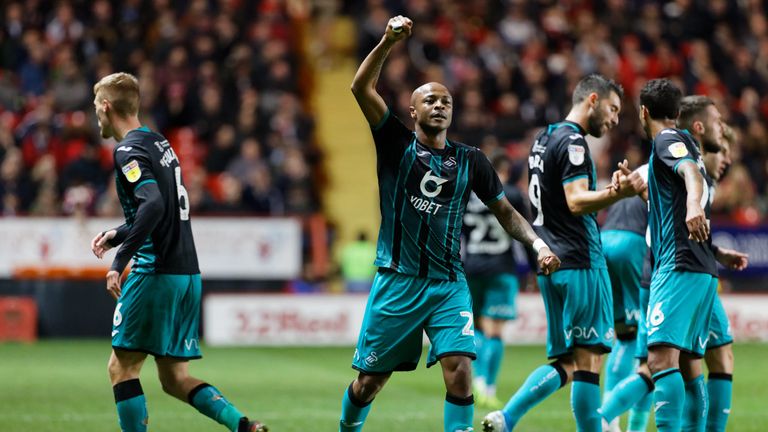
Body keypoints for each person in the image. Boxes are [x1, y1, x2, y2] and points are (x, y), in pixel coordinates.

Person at [340, 16, 560, 432]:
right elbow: (359, 88)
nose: (440, 105)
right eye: (430, 100)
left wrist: (537, 245)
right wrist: (388, 41)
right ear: (413, 110)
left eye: (446, 101)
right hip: (398, 280)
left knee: (460, 369)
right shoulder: (394, 143)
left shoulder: (471, 160)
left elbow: (506, 212)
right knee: (370, 382)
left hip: (448, 282)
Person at [88, 72, 267, 432]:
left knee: (121, 368)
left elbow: (151, 205)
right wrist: (119, 233)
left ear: (106, 107)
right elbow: (161, 207)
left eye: (96, 108)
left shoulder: (127, 151)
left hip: (155, 273)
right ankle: (243, 427)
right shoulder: (160, 144)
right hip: (187, 274)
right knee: (174, 378)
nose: (96, 116)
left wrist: (119, 260)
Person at [483, 74, 646, 432]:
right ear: (592, 99)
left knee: (568, 363)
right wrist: (620, 193)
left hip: (551, 263)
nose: (615, 119)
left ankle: (506, 418)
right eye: (613, 109)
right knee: (588, 364)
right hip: (581, 261)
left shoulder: (543, 138)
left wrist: (607, 190)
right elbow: (575, 201)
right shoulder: (574, 142)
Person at [677, 98, 748, 432]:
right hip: (677, 275)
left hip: (697, 271)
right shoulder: (683, 170)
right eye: (724, 151)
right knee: (662, 364)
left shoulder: (706, 183)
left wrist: (718, 254)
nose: (728, 160)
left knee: (718, 354)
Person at [462, 154, 537, 409]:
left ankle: (477, 378)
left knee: (479, 326)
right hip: (501, 268)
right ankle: (487, 383)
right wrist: (535, 268)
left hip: (471, 268)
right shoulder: (513, 194)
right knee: (495, 329)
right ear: (504, 169)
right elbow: (525, 231)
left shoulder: (467, 194)